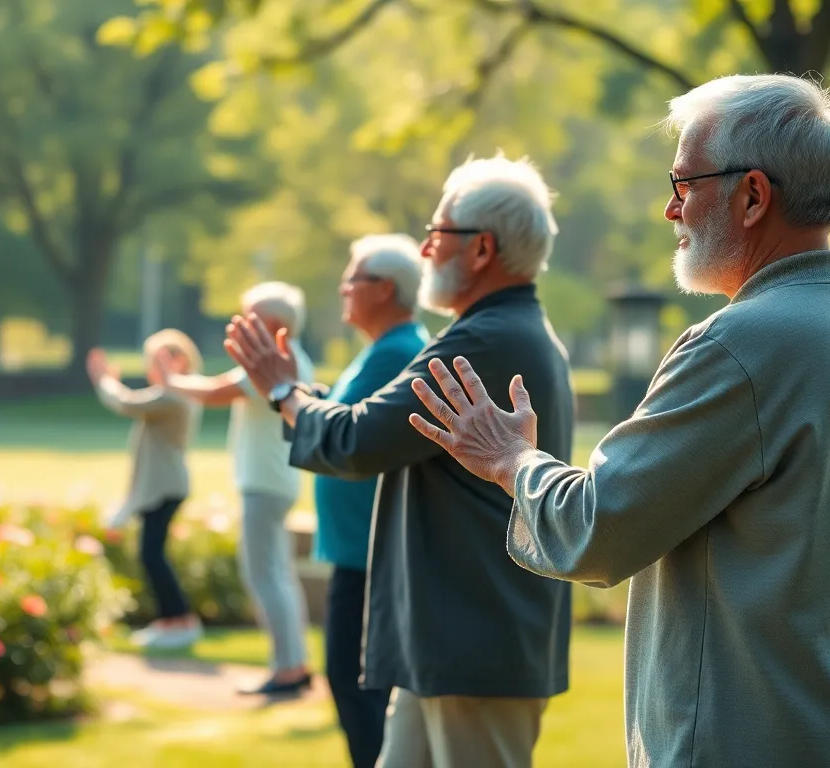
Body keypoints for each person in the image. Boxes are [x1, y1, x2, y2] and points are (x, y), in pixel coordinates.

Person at [406, 74, 830, 768]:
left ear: (752, 196)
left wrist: (510, 459)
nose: (669, 210)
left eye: (683, 184)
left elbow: (599, 529)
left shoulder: (743, 344)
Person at [223, 155, 575, 768]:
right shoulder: (504, 329)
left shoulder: (483, 341)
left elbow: (358, 439)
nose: (425, 249)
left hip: (473, 642)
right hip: (450, 642)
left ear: (482, 249)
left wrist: (284, 391)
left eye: (437, 234)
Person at [157, 282, 316, 695]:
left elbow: (213, 393)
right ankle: (293, 664)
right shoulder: (291, 359)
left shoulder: (273, 362)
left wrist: (172, 379)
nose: (242, 325)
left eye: (252, 317)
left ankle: (287, 670)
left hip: (264, 483)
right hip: (277, 480)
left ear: (276, 324)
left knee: (264, 577)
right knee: (278, 577)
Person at [314, 234, 428, 767]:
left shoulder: (400, 353)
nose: (343, 286)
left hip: (370, 556)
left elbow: (356, 438)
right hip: (357, 551)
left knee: (359, 689)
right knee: (352, 686)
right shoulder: (380, 350)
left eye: (352, 277)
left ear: (384, 289)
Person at [87, 331, 204, 651]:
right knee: (151, 553)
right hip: (162, 484)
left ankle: (180, 619)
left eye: (160, 360)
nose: (153, 368)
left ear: (179, 360)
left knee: (152, 554)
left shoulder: (175, 396)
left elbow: (126, 403)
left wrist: (103, 381)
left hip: (165, 485)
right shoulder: (175, 393)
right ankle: (171, 620)